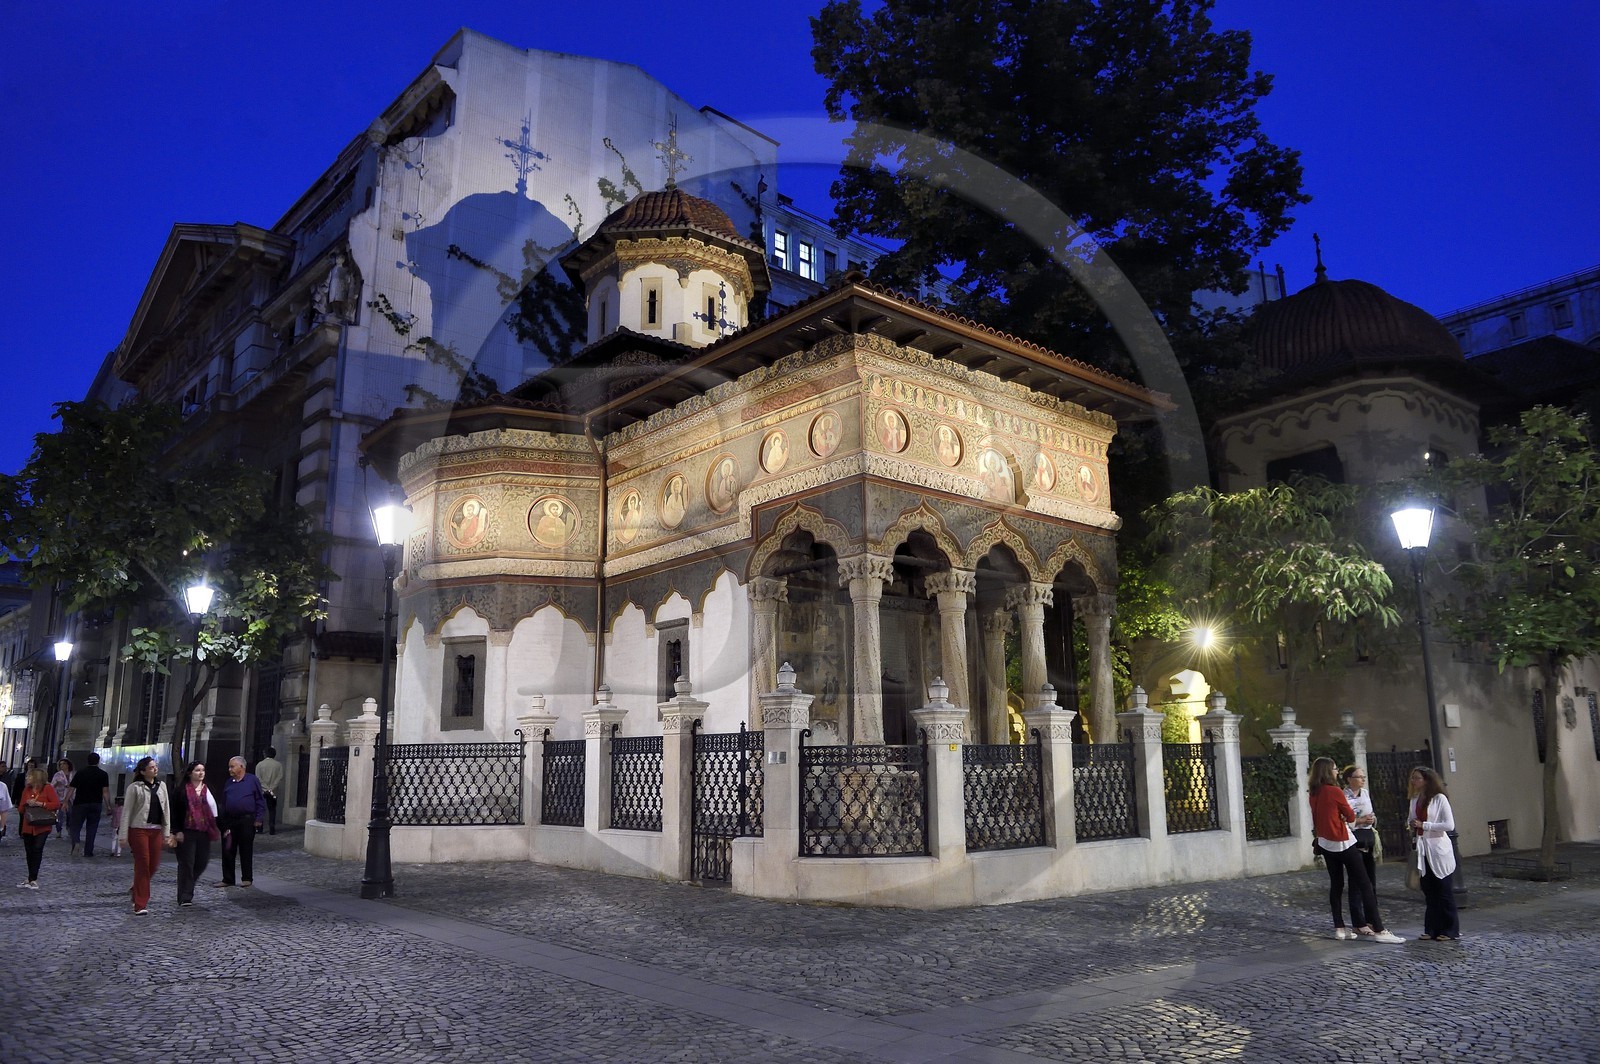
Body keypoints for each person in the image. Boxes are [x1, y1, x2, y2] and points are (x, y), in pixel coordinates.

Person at [1308, 756, 1403, 943]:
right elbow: (1350, 816)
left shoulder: (1314, 792)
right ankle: (1380, 930)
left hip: (1325, 843)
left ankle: (1339, 928)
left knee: (1336, 885)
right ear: (1328, 771)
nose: (1337, 772)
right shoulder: (1334, 791)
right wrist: (1344, 817)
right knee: (1365, 884)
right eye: (1335, 768)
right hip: (1342, 841)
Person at [1408, 765, 1460, 941]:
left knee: (1443, 890)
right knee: (1429, 891)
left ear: (1427, 780)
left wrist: (1425, 825)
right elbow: (1411, 819)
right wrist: (1411, 824)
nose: (1413, 781)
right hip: (1422, 850)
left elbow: (1449, 825)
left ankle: (1450, 930)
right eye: (1413, 778)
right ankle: (1431, 929)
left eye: (1417, 778)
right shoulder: (1415, 799)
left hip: (1438, 850)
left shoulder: (1439, 799)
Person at [117, 756, 173, 915]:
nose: (155, 769)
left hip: (156, 830)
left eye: (155, 767)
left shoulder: (162, 786)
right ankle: (140, 903)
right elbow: (127, 812)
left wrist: (166, 833)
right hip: (138, 829)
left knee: (153, 865)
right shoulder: (134, 787)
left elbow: (166, 810)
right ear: (143, 771)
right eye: (151, 767)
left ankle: (136, 888)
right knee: (143, 864)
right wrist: (123, 835)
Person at [171, 761, 220, 907]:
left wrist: (223, 827)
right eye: (197, 770)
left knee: (202, 862)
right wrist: (177, 830)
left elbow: (215, 810)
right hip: (187, 831)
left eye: (202, 770)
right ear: (189, 773)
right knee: (187, 863)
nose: (201, 773)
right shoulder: (181, 791)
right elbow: (175, 812)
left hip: (204, 830)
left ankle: (188, 884)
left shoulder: (208, 789)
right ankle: (185, 896)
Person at [217, 755, 267, 888]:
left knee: (246, 849)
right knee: (228, 849)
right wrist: (222, 821)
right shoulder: (229, 782)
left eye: (232, 766)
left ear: (241, 766)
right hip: (230, 820)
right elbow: (224, 802)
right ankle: (228, 878)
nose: (229, 769)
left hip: (246, 820)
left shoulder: (252, 780)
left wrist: (259, 818)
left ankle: (247, 878)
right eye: (229, 767)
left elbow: (260, 800)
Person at [1341, 764, 1379, 929]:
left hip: (1367, 838)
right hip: (1353, 839)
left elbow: (1371, 813)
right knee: (1356, 881)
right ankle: (1358, 920)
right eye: (1359, 777)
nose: (1363, 780)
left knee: (1370, 880)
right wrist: (1360, 821)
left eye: (1363, 777)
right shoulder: (1343, 796)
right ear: (1350, 779)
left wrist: (1371, 819)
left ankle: (1372, 917)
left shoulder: (1365, 793)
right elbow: (1343, 820)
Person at [17, 766, 61, 889]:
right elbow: (20, 809)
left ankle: (33, 878)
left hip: (42, 825)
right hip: (28, 825)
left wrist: (40, 803)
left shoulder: (48, 788)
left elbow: (56, 804)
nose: (27, 778)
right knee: (29, 851)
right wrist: (26, 803)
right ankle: (30, 877)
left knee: (37, 848)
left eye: (29, 776)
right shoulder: (27, 789)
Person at [67, 752, 111, 857]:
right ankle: (88, 851)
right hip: (96, 803)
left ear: (87, 761)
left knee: (75, 826)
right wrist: (108, 806)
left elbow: (71, 789)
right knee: (92, 828)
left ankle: (76, 842)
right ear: (98, 761)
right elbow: (105, 792)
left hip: (80, 803)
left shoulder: (80, 773)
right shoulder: (103, 774)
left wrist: (65, 801)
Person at [254, 748, 285, 835]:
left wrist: (266, 788)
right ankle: (272, 828)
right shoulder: (278, 765)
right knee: (272, 810)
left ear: (265, 754)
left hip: (262, 790)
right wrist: (271, 788)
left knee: (260, 809)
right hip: (273, 791)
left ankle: (259, 828)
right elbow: (280, 777)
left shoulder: (260, 765)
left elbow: (258, 778)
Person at [50, 758, 72, 838]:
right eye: (61, 764)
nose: (62, 765)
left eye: (64, 764)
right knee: (60, 815)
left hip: (70, 797)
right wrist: (57, 784)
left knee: (70, 814)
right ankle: (59, 830)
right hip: (60, 797)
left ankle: (69, 827)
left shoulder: (72, 774)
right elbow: (52, 786)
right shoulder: (57, 775)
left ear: (68, 765)